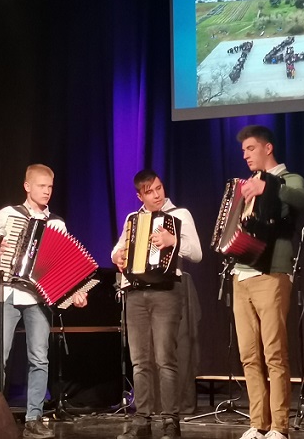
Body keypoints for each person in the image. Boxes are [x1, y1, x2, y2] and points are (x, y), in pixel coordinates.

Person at [0, 164, 87, 439]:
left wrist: (75, 291)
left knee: (39, 358)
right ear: (27, 186)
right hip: (6, 291)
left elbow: (62, 265)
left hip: (38, 297)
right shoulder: (10, 214)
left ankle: (34, 418)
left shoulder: (56, 223)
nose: (47, 192)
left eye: (50, 187)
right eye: (42, 186)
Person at [232, 126, 304, 439]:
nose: (246, 155)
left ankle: (279, 426)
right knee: (249, 355)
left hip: (273, 272)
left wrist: (269, 186)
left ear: (267, 148)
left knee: (274, 353)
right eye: (244, 151)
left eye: (250, 148)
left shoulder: (289, 179)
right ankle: (258, 423)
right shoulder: (246, 185)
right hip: (242, 273)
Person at [111, 170, 202, 439]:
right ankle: (142, 418)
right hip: (136, 293)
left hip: (166, 291)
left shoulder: (179, 215)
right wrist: (118, 255)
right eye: (150, 191)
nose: (157, 194)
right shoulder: (132, 219)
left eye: (159, 188)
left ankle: (170, 420)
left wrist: (172, 241)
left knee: (165, 359)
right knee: (140, 361)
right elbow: (116, 250)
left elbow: (196, 253)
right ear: (140, 195)